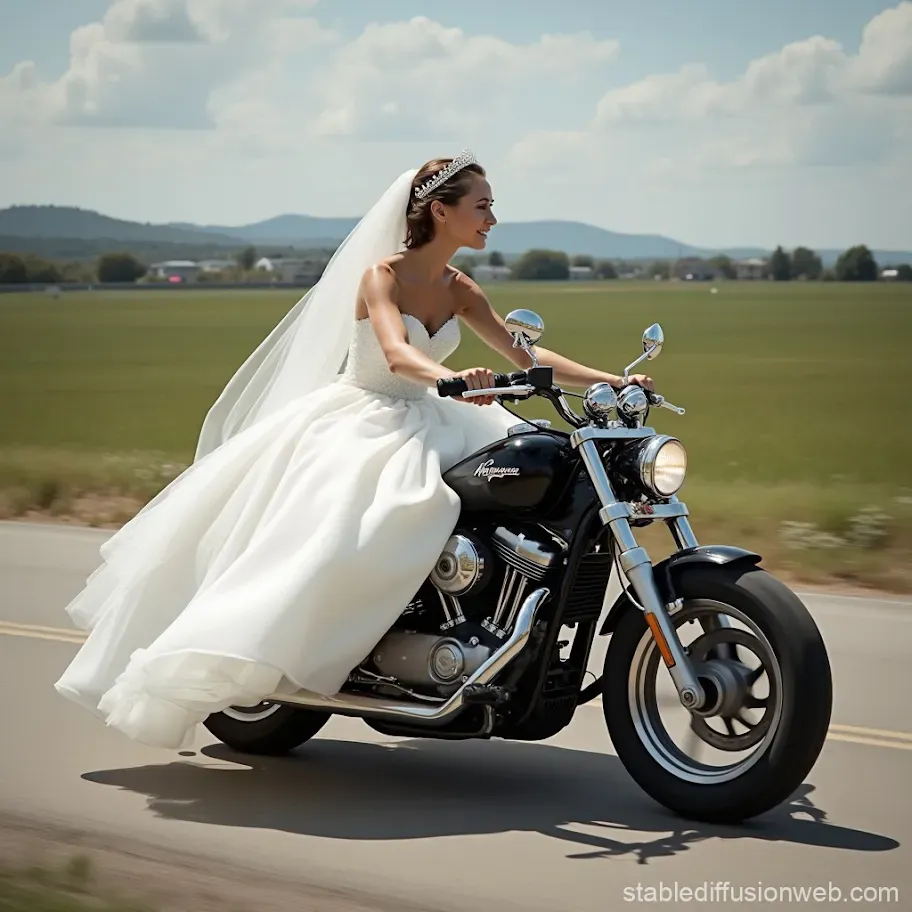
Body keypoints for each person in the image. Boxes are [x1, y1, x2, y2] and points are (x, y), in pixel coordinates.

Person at [54, 151, 653, 749]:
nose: (493, 217)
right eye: (483, 205)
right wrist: (443, 377)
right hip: (369, 416)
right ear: (441, 212)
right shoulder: (381, 277)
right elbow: (396, 352)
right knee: (390, 514)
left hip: (433, 416)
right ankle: (337, 642)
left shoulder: (460, 287)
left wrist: (613, 380)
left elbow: (528, 357)